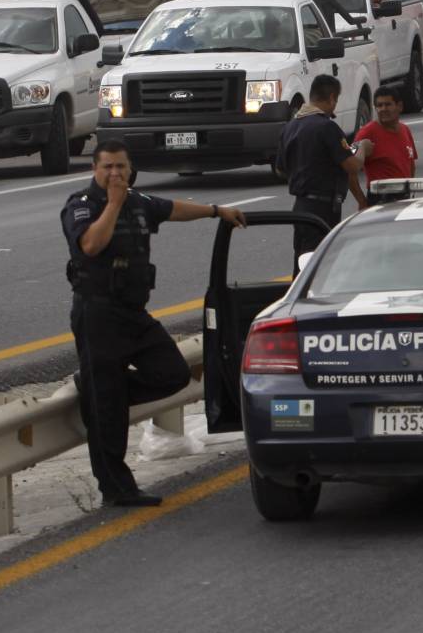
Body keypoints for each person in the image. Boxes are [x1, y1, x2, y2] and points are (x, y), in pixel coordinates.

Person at [63, 140, 245, 507]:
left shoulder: (139, 202)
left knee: (173, 373)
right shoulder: (81, 207)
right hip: (97, 313)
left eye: (121, 167)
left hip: (132, 313)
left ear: (130, 170)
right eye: (107, 167)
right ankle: (117, 488)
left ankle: (99, 391)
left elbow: (173, 209)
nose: (114, 174)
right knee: (107, 409)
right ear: (94, 171)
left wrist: (215, 210)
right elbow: (91, 246)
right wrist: (113, 204)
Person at [278, 74, 369, 256]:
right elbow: (352, 166)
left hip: (301, 205)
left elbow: (280, 170)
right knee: (322, 262)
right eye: (336, 100)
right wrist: (363, 148)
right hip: (323, 208)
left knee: (302, 261)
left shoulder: (290, 127)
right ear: (332, 98)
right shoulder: (326, 127)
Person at [354, 86, 417, 184]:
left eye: (388, 104)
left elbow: (411, 165)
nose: (383, 109)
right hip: (381, 197)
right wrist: (361, 199)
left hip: (405, 195)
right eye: (379, 105)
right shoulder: (365, 133)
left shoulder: (405, 130)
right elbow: (350, 170)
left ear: (399, 106)